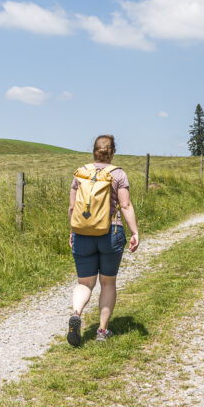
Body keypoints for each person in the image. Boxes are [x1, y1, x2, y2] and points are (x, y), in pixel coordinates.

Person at [66, 134, 140, 346]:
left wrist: (73, 231)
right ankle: (101, 330)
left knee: (85, 282)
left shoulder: (80, 173)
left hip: (82, 233)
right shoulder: (118, 174)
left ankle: (77, 313)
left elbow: (72, 208)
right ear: (113, 152)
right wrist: (134, 232)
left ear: (94, 151)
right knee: (107, 282)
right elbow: (125, 206)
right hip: (111, 232)